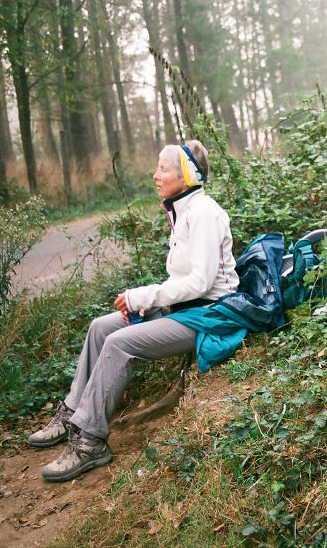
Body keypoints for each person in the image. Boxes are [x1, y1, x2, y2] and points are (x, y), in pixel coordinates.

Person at [28, 140, 239, 482]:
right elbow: (180, 281)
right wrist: (148, 304)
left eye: (163, 169)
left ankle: (90, 441)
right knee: (101, 328)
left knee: (119, 343)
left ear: (186, 175)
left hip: (209, 314)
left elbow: (201, 283)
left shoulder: (204, 214)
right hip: (181, 308)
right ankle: (72, 412)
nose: (155, 175)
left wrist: (144, 296)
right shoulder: (182, 210)